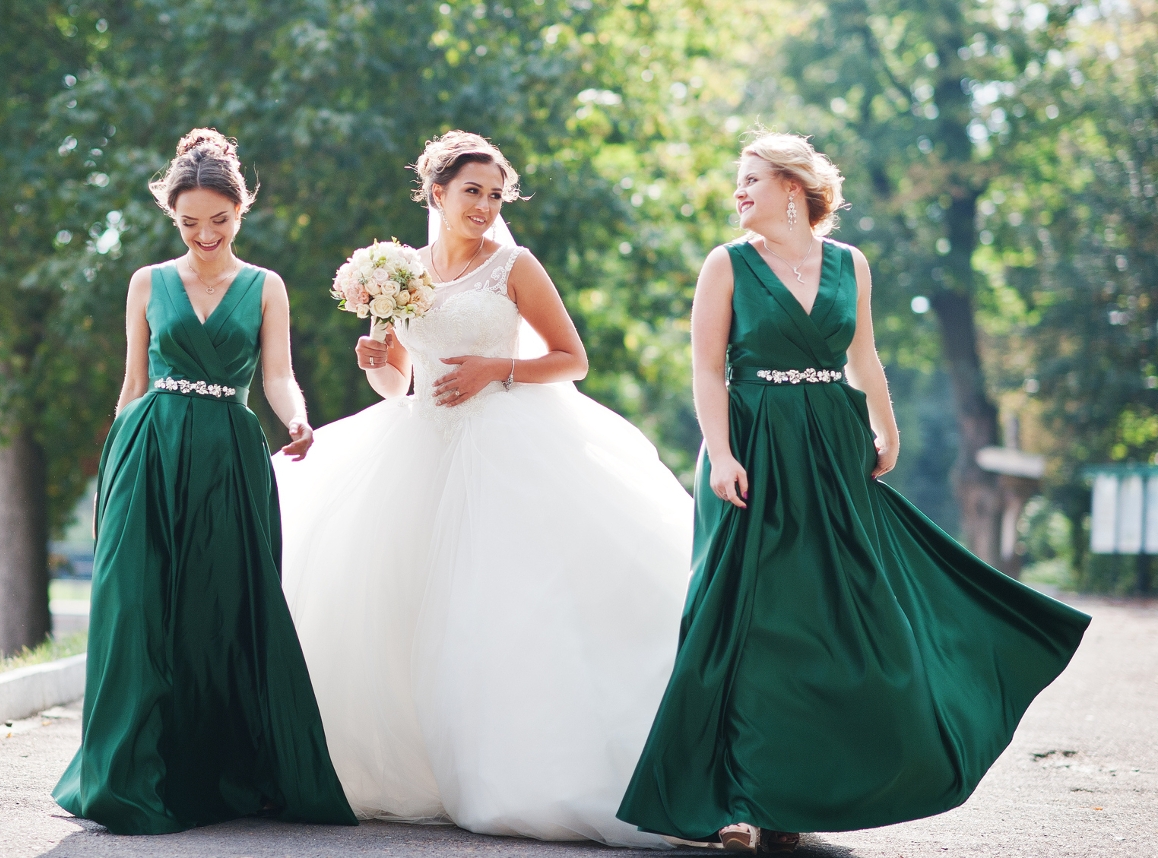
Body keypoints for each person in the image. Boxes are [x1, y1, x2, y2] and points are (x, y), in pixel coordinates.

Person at [616, 132, 1091, 853]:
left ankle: (793, 791)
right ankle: (731, 797)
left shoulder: (849, 265)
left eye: (751, 179)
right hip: (752, 450)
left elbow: (862, 353)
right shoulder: (727, 264)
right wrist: (719, 454)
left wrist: (886, 425)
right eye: (737, 181)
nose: (737, 192)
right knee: (742, 620)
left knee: (829, 620)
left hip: (834, 448)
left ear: (792, 188)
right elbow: (707, 370)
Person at [270, 131, 692, 847]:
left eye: (495, 195)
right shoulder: (399, 271)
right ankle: (420, 769)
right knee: (402, 603)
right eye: (472, 192)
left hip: (505, 445)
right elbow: (396, 378)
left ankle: (523, 767)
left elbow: (572, 359)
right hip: (420, 444)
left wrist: (496, 369)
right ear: (435, 193)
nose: (485, 206)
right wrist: (375, 354)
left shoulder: (515, 266)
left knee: (501, 607)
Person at [53, 129, 356, 835]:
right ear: (173, 217)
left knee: (222, 609)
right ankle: (127, 778)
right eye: (189, 223)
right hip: (149, 451)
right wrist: (115, 474)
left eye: (218, 220)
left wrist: (297, 419)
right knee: (138, 609)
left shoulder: (265, 287)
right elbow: (132, 384)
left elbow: (277, 373)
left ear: (240, 211)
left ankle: (222, 774)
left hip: (227, 452)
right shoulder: (146, 282)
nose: (205, 234)